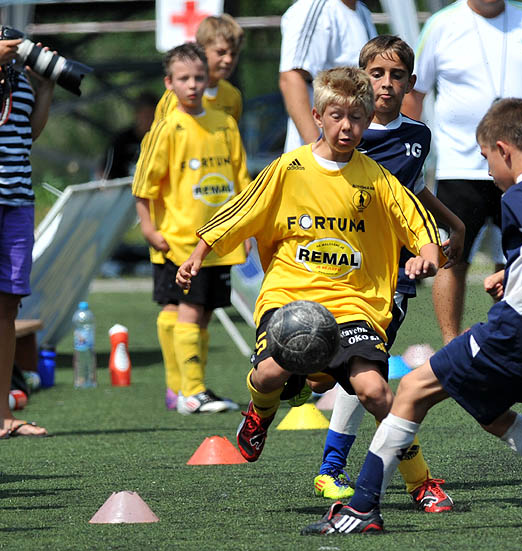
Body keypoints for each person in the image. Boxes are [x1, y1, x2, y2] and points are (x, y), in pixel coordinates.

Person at [302, 98, 522, 535]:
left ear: (504, 150)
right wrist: (515, 273)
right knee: (492, 414)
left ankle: (361, 509)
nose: (488, 171)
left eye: (487, 158)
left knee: (411, 389)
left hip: (515, 331)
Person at [176, 66, 454, 513]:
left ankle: (420, 482)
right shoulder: (290, 169)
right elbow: (241, 210)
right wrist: (198, 253)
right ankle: (260, 413)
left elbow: (417, 223)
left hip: (353, 304)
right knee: (269, 375)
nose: (347, 127)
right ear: (317, 116)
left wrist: (427, 255)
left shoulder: (376, 178)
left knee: (377, 393)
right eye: (337, 116)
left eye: (357, 118)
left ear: (369, 119)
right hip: (291, 298)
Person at [308, 35, 466, 504]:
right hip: (337, 270)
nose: (386, 83)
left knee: (364, 366)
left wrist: (453, 224)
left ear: (410, 83)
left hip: (389, 277)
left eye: (396, 75)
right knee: (344, 370)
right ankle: (302, 392)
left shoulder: (418, 136)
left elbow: (411, 190)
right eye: (376, 74)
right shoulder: (344, 136)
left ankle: (333, 467)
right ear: (361, 79)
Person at [403, 0, 522, 345]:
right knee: (452, 258)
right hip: (459, 165)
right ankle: (451, 345)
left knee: (520, 258)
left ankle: (510, 342)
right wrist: (408, 150)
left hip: (521, 169)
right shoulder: (441, 24)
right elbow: (414, 93)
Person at [132, 43, 249, 414]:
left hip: (220, 240)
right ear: (169, 83)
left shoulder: (224, 123)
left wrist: (246, 230)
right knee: (190, 307)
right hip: (181, 238)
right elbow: (143, 186)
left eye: (199, 77)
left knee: (203, 310)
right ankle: (192, 391)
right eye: (184, 79)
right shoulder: (167, 128)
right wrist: (149, 228)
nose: (193, 85)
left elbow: (242, 181)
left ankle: (179, 388)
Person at [0, 36, 54, 438]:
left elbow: (27, 133)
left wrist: (46, 86)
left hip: (19, 201)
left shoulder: (18, 80)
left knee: (8, 306)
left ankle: (3, 415)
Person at [278, 0, 376, 153]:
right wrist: (317, 152)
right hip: (317, 160)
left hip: (352, 155)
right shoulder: (313, 7)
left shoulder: (362, 11)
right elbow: (291, 78)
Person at [154, 14, 244, 123]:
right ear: (202, 50)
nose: (228, 60)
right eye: (221, 52)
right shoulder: (178, 95)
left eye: (234, 54)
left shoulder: (233, 96)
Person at [98, 92, 158, 180]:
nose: (150, 120)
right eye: (146, 115)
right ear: (137, 115)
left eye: (153, 116)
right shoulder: (121, 141)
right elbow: (104, 173)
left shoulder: (162, 139)